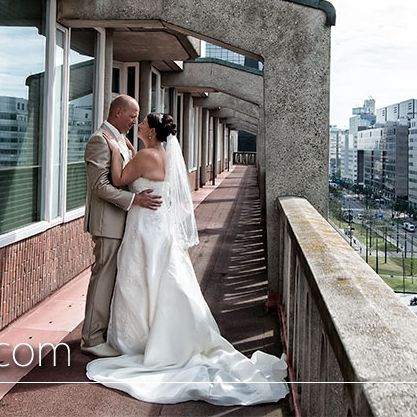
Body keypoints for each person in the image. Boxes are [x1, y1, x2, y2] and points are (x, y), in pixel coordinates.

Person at [86, 113, 288, 405]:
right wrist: (126, 150)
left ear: (152, 132)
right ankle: (160, 333)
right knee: (159, 278)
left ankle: (137, 339)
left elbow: (117, 179)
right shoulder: (162, 154)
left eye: (142, 124)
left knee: (139, 280)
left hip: (144, 226)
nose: (138, 125)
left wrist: (116, 150)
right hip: (159, 226)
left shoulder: (145, 156)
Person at [81, 95, 160, 357]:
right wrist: (134, 199)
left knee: (113, 279)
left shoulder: (121, 141)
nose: (135, 121)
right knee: (102, 278)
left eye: (138, 117)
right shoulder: (99, 140)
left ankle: (101, 332)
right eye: (132, 116)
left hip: (123, 222)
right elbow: (99, 186)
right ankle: (91, 339)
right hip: (108, 223)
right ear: (117, 113)